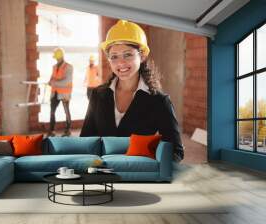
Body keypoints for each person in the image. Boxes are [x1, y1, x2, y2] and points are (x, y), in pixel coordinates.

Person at [80, 20, 184, 162]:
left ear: (142, 56)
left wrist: (144, 167)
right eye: (114, 56)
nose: (121, 63)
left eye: (127, 54)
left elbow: (175, 152)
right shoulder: (98, 95)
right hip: (102, 174)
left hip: (138, 177)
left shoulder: (159, 101)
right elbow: (85, 141)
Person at [47, 47, 73, 137]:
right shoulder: (54, 67)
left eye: (57, 57)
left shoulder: (68, 67)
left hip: (64, 94)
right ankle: (51, 130)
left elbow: (67, 81)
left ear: (61, 57)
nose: (56, 59)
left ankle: (68, 130)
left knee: (66, 112)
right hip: (54, 93)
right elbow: (52, 78)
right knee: (52, 112)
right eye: (56, 58)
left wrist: (54, 82)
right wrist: (50, 81)